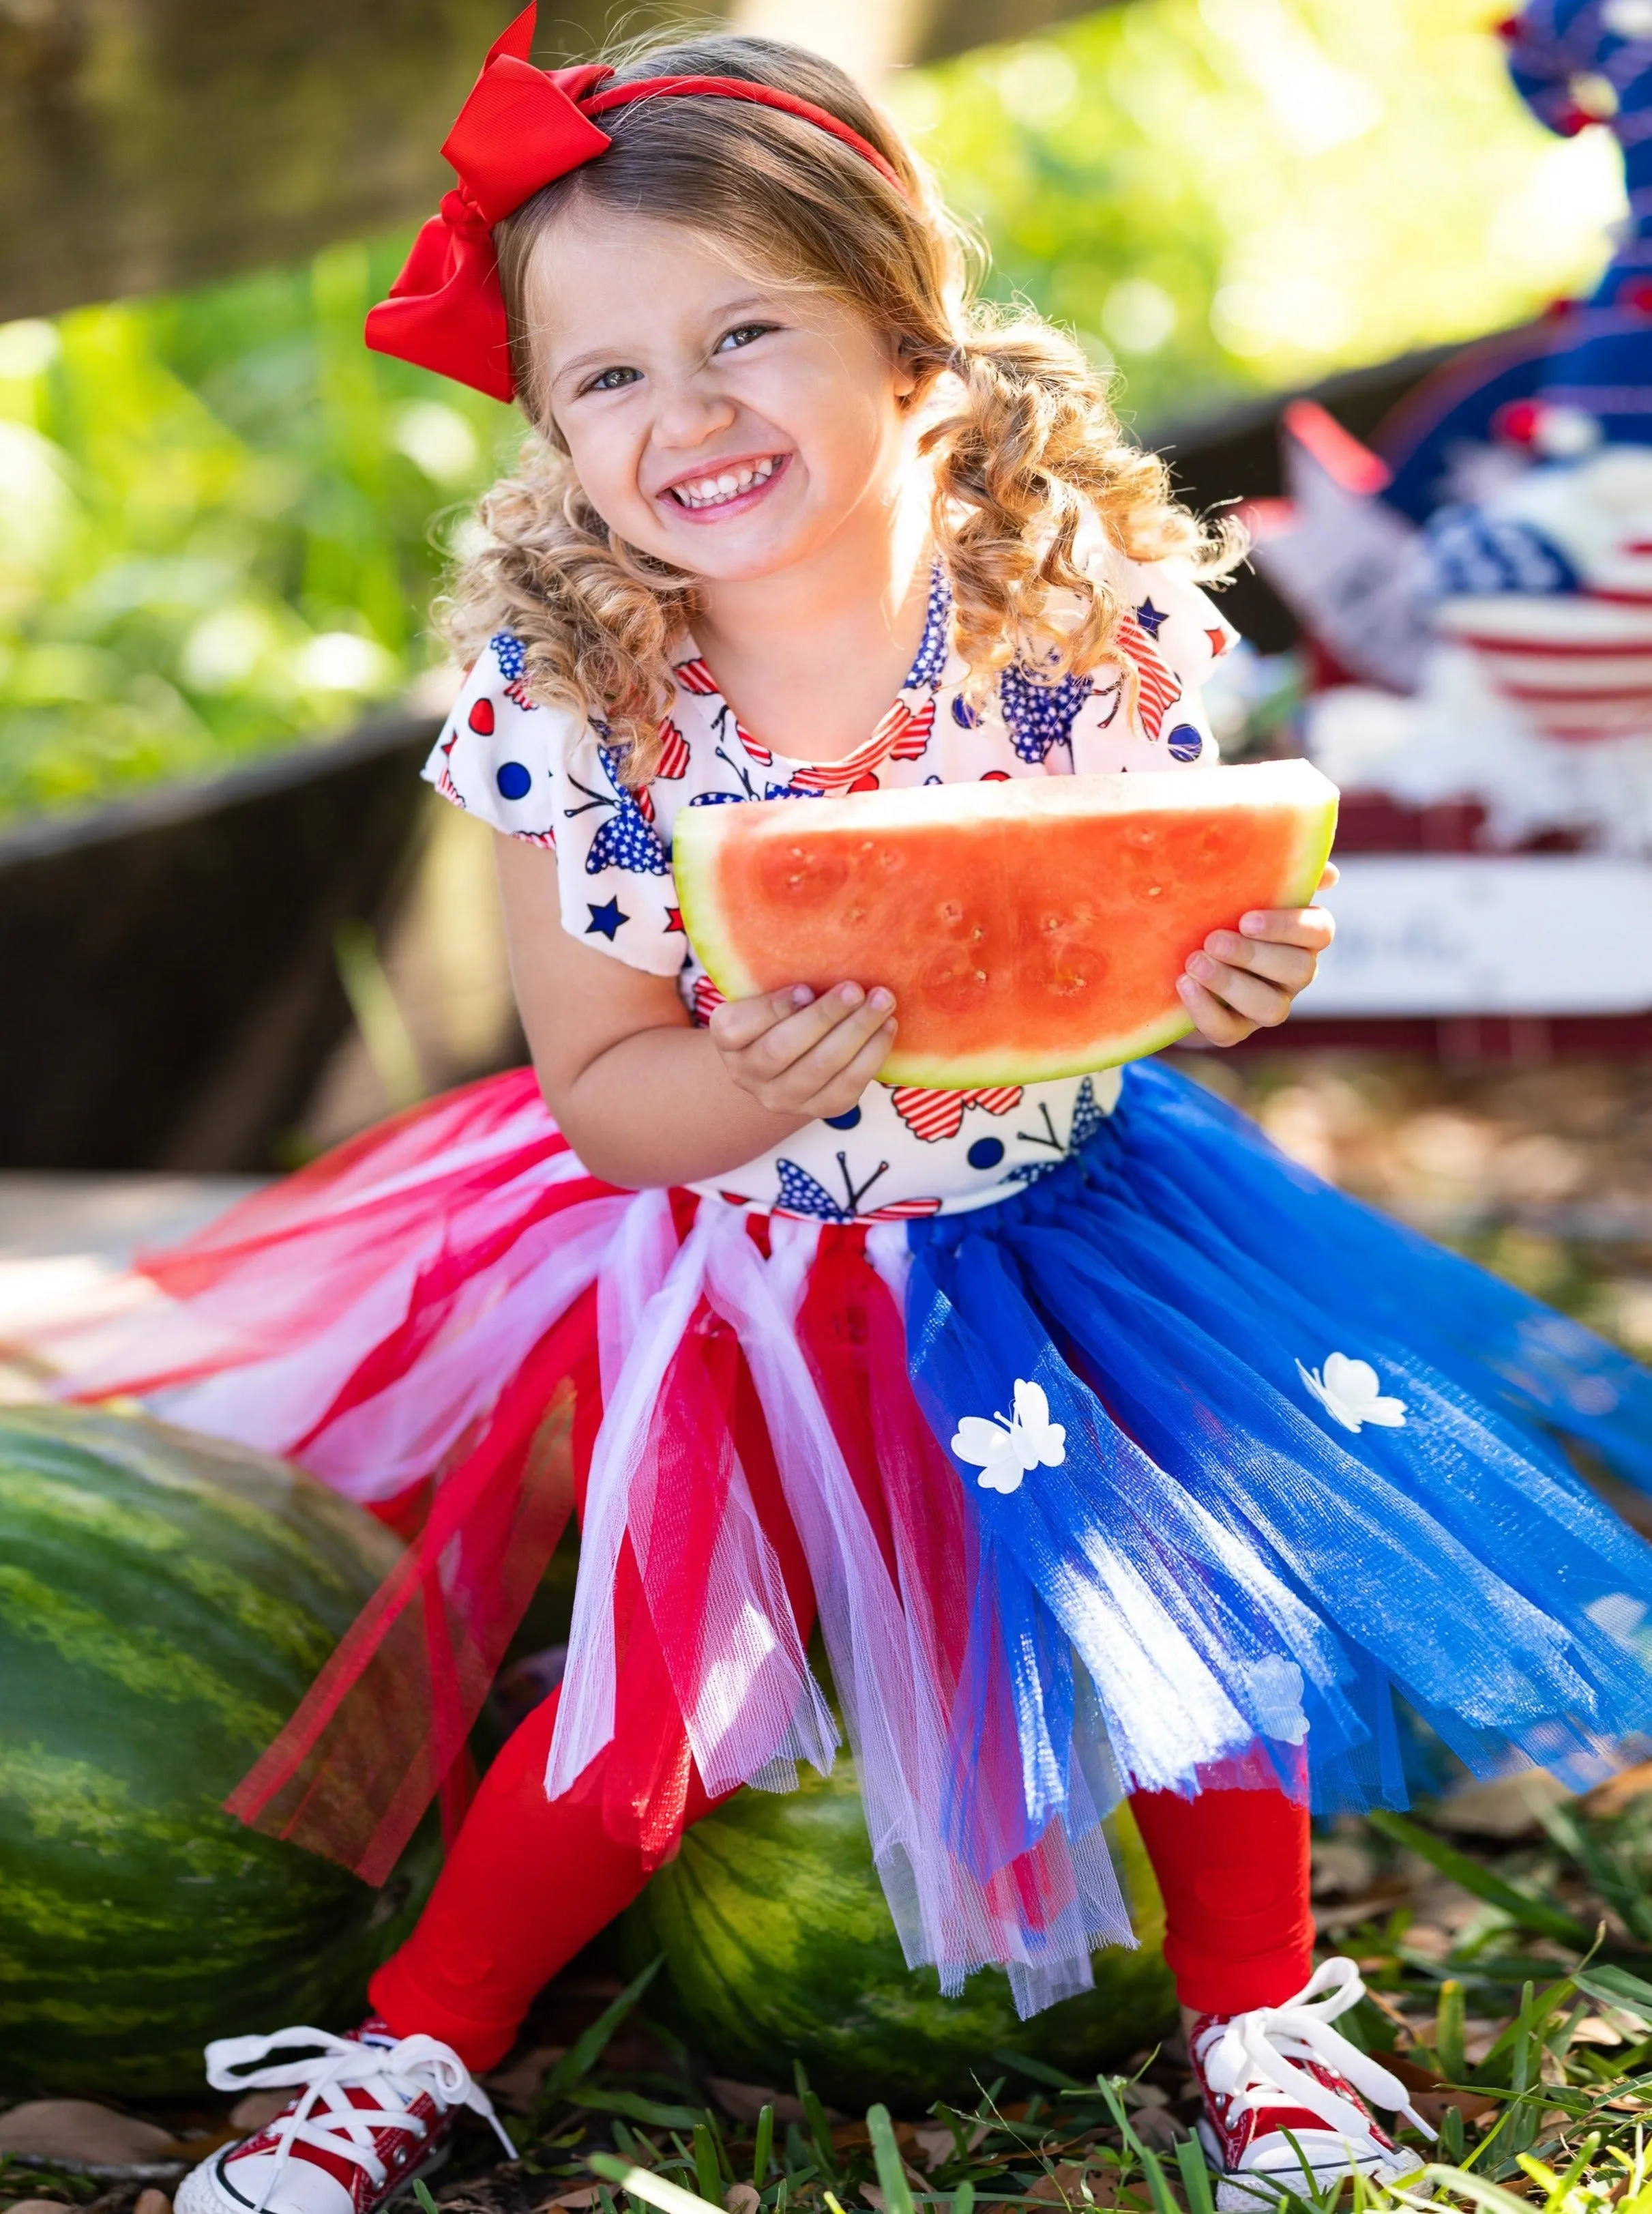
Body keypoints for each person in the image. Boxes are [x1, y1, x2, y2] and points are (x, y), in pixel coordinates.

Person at [68, 13, 1652, 2214]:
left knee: (1196, 1634)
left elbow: (1137, 943)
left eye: (745, 332)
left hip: (1073, 1232)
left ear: (915, 352)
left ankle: (1259, 2020)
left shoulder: (1082, 629)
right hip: (748, 1263)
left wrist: (1228, 983)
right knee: (640, 1729)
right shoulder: (570, 705)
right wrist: (738, 1076)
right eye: (605, 376)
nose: (684, 414)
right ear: (545, 431)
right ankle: (409, 2049)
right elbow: (607, 1102)